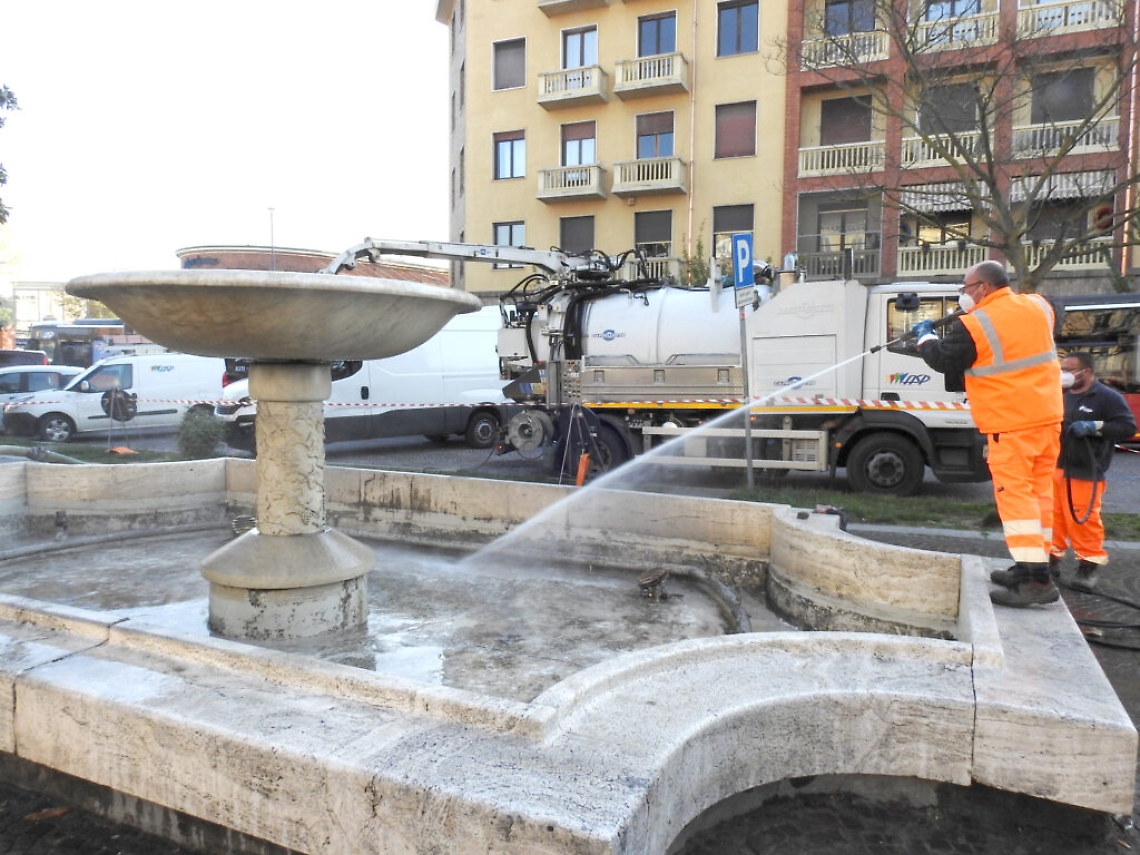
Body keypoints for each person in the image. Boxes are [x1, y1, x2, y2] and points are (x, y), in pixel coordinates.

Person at [910, 260, 1063, 607]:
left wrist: (925, 338)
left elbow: (945, 360)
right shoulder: (1039, 306)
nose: (964, 295)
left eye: (965, 288)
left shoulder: (974, 324)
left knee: (1017, 499)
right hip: (1047, 419)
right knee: (1039, 495)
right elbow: (1056, 311)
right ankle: (1033, 567)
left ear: (982, 288)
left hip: (1010, 423)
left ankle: (1035, 583)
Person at [1050, 351, 1136, 591]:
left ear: (1085, 371)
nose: (1064, 374)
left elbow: (1127, 426)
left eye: (1069, 369)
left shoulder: (1107, 397)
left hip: (1086, 470)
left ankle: (1088, 566)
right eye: (1062, 368)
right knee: (1053, 518)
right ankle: (1051, 560)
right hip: (1056, 467)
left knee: (1083, 521)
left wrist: (1095, 426)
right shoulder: (1062, 395)